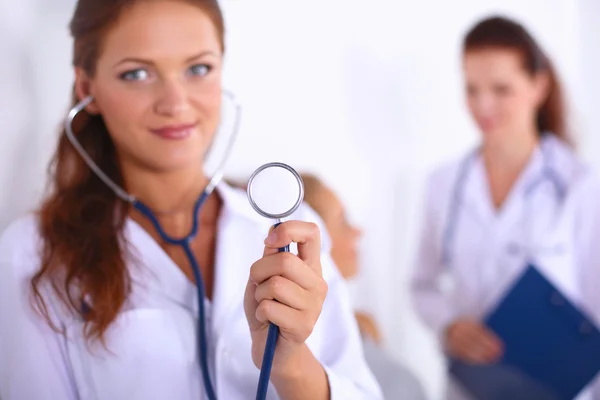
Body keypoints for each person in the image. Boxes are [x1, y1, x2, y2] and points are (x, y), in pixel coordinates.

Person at [0, 1, 383, 399]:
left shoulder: (294, 232)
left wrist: (291, 364)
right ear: (87, 88)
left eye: (198, 68)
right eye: (137, 73)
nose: (175, 102)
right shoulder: (31, 254)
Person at [410, 16, 600, 400]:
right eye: (472, 89)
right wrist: (448, 326)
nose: (483, 105)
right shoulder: (444, 183)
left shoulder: (581, 186)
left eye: (501, 89)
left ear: (539, 86)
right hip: (470, 387)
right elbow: (422, 285)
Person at [300, 174, 427, 400]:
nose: (358, 232)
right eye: (342, 222)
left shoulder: (360, 328)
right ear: (304, 243)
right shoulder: (301, 345)